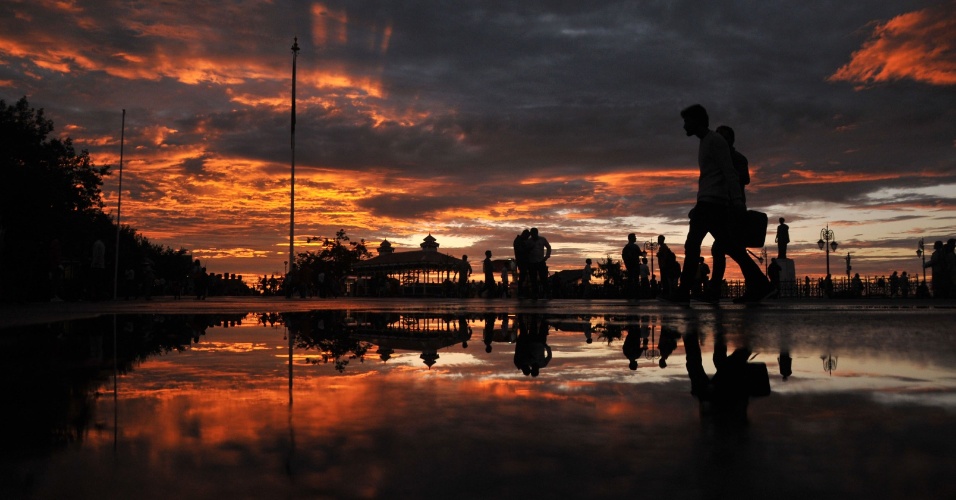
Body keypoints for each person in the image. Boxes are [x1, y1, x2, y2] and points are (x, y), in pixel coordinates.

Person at [668, 104, 771, 304]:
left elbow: (729, 172)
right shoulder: (706, 142)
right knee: (731, 247)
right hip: (711, 203)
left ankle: (682, 293)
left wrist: (738, 201)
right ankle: (761, 284)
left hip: (712, 204)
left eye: (686, 121)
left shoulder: (714, 141)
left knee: (693, 245)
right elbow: (713, 176)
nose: (684, 126)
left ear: (696, 120)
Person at [525, 228, 551, 299]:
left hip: (541, 261)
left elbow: (548, 247)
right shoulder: (528, 241)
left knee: (543, 278)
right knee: (533, 279)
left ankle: (547, 293)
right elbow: (525, 251)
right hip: (532, 262)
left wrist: (547, 256)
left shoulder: (542, 239)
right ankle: (535, 294)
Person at [622, 233, 644, 300]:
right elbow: (641, 254)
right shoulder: (635, 246)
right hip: (635, 265)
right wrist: (644, 253)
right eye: (635, 237)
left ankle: (630, 294)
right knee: (636, 280)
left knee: (630, 280)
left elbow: (623, 256)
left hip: (629, 266)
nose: (636, 238)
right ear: (631, 238)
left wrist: (627, 264)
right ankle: (636, 294)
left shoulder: (626, 247)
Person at [513, 229, 531, 298]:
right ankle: (521, 292)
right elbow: (521, 251)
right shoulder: (518, 241)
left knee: (523, 276)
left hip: (522, 261)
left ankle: (522, 292)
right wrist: (529, 249)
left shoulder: (519, 240)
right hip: (522, 261)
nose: (527, 238)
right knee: (522, 277)